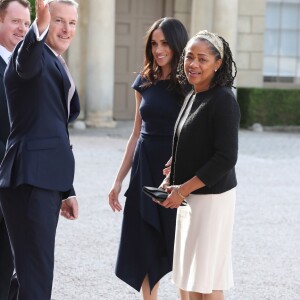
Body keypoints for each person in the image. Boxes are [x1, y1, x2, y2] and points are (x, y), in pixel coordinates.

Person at [0, 0, 80, 299]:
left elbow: (55, 129)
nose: (66, 29)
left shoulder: (55, 61)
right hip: (29, 180)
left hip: (44, 181)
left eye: (72, 23)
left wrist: (66, 189)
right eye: (59, 21)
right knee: (37, 275)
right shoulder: (31, 55)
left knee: (29, 274)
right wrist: (39, 24)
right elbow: (26, 58)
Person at [108, 17, 189, 300]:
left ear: (177, 44)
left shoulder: (190, 84)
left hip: (177, 172)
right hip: (144, 169)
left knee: (179, 245)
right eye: (154, 44)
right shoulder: (144, 81)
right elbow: (135, 134)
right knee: (145, 245)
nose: (158, 49)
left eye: (165, 43)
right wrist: (118, 180)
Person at [158, 30, 240, 300]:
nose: (193, 64)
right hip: (189, 197)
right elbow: (189, 140)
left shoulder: (224, 99)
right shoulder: (193, 94)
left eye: (202, 59)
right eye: (189, 57)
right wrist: (173, 171)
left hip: (211, 201)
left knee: (206, 279)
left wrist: (183, 190)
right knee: (188, 276)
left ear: (218, 63)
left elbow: (225, 157)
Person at [0, 1, 31, 299]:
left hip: (23, 184)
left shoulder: (28, 66)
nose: (22, 29)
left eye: (26, 23)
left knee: (16, 266)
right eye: (15, 21)